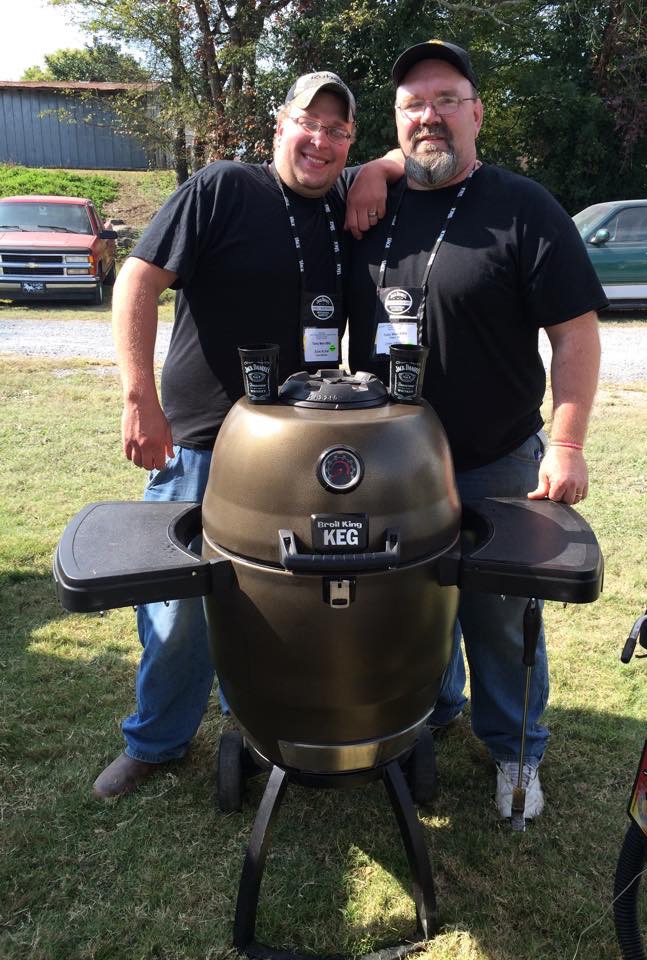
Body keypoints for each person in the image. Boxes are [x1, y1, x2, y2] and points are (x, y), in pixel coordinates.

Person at [95, 71, 397, 799]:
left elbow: (413, 157)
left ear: (349, 141)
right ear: (279, 126)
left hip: (293, 456)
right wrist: (140, 398)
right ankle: (156, 742)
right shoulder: (222, 187)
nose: (319, 141)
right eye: (308, 123)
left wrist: (381, 167)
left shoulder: (344, 203)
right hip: (200, 442)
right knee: (180, 611)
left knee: (276, 603)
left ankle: (258, 724)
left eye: (337, 130)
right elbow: (137, 280)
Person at [347, 41, 606, 820]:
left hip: (495, 458)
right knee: (408, 606)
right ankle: (434, 711)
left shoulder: (524, 207)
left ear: (477, 113)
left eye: (447, 100)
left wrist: (565, 442)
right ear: (398, 123)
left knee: (498, 616)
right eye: (413, 105)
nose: (430, 116)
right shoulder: (368, 204)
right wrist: (374, 169)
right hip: (387, 465)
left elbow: (575, 334)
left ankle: (517, 752)